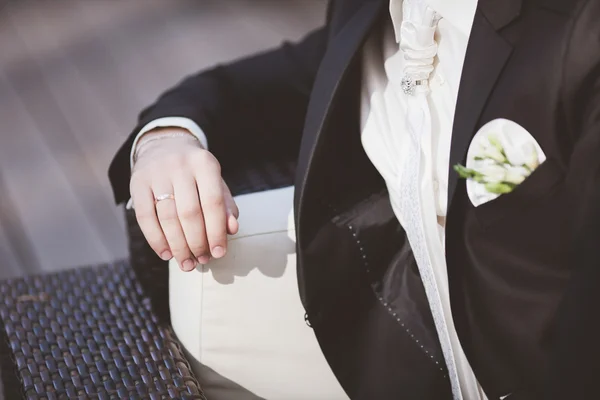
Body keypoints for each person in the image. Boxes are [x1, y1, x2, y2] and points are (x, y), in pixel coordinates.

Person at [108, 0, 600, 398]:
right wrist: (165, 139)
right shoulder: (369, 14)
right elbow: (246, 89)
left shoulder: (575, 32)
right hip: (409, 349)